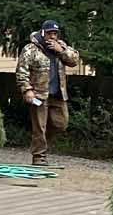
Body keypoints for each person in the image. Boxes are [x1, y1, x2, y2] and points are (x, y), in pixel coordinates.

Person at [15, 20, 80, 164]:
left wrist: (61, 51)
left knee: (61, 124)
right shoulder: (31, 49)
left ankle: (41, 146)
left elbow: (74, 60)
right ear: (42, 32)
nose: (52, 36)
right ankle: (39, 157)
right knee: (40, 127)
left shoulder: (60, 46)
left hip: (58, 94)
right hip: (39, 94)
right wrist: (27, 90)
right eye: (50, 33)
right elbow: (22, 71)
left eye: (55, 33)